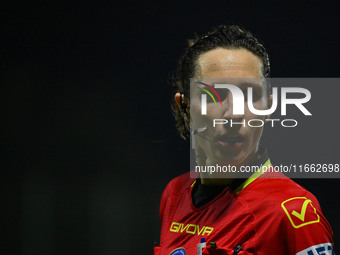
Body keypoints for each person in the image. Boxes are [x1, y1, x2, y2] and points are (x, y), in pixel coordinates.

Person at [154, 25, 335, 255]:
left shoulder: (294, 213)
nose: (234, 113)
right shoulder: (174, 194)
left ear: (268, 108)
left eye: (250, 95)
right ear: (185, 108)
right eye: (214, 95)